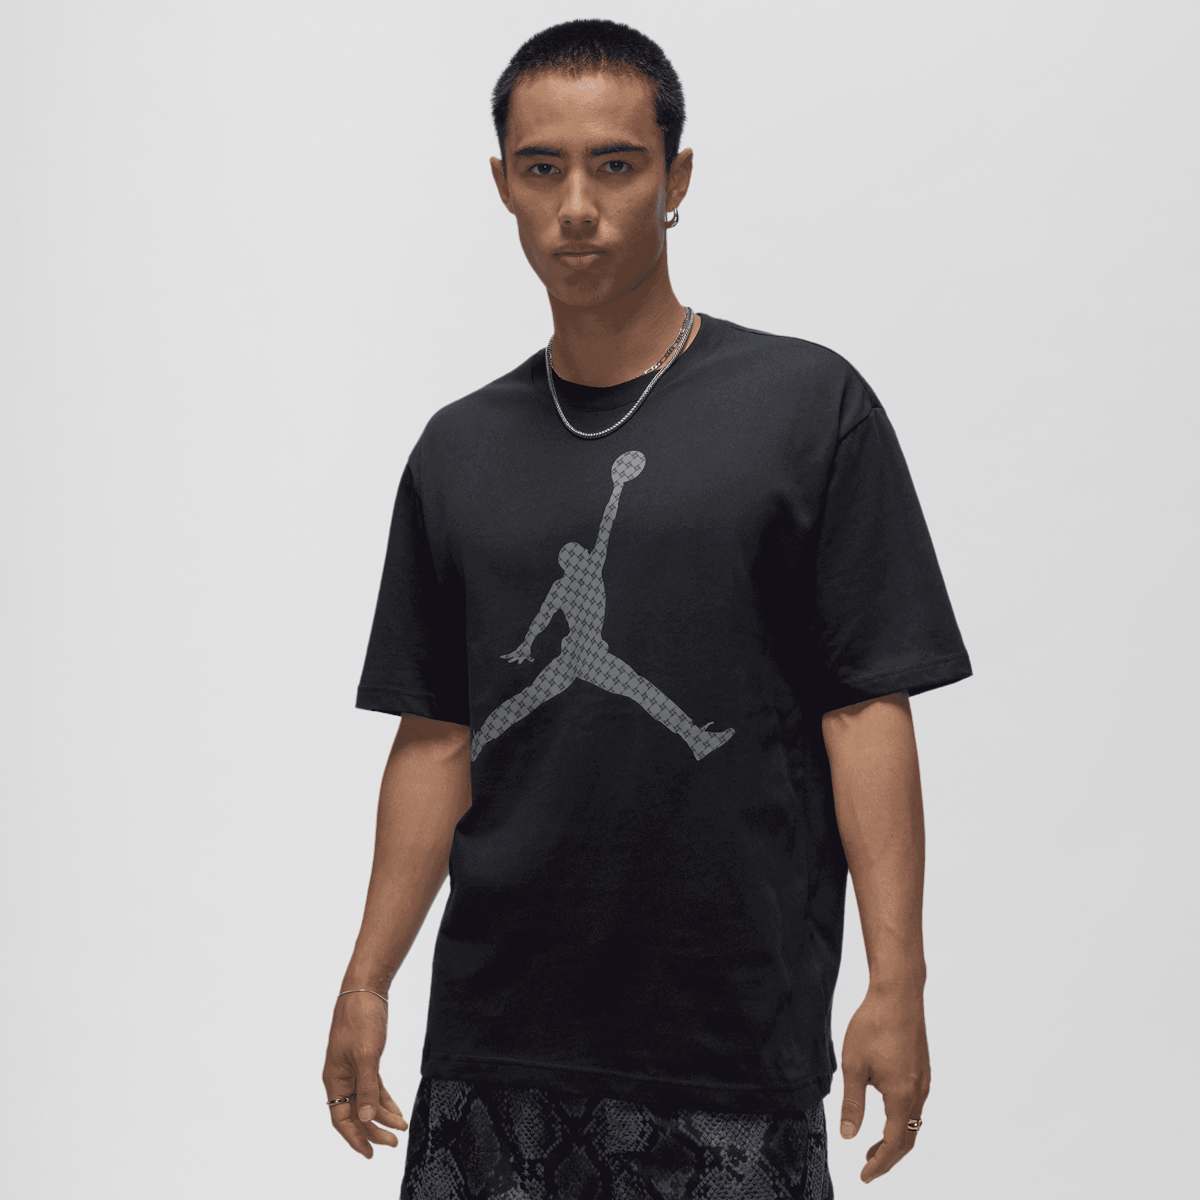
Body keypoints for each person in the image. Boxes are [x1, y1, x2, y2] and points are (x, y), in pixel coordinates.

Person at [322, 18, 972, 1197]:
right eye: (543, 168)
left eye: (615, 165)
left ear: (677, 180)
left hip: (729, 1046)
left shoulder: (806, 407)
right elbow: (437, 735)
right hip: (496, 1045)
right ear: (503, 185)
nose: (577, 207)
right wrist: (368, 977)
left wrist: (898, 981)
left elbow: (864, 708)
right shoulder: (457, 451)